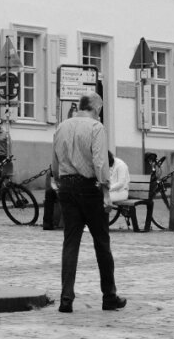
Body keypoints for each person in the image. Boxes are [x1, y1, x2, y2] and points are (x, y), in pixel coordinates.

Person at [51, 91, 125, 313]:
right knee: (101, 242)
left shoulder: (61, 127)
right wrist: (105, 192)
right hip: (89, 188)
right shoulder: (96, 128)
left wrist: (58, 181)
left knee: (70, 242)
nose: (100, 115)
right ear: (95, 108)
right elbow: (100, 162)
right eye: (100, 111)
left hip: (66, 186)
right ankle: (109, 296)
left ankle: (66, 298)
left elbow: (54, 161)